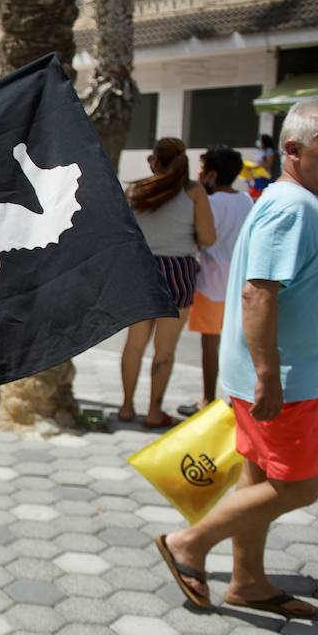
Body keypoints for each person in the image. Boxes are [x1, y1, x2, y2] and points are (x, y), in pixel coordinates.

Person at [156, 97, 318, 620]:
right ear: (292, 149)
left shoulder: (303, 201)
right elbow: (257, 293)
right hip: (283, 381)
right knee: (297, 487)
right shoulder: (291, 206)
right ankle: (189, 544)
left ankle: (247, 581)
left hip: (291, 377)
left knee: (259, 481)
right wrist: (269, 373)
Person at [119, 137, 216, 428]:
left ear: (154, 161)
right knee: (165, 350)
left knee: (134, 344)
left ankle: (125, 407)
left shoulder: (136, 189)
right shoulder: (193, 191)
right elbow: (209, 238)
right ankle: (153, 411)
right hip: (178, 270)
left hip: (141, 270)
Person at [179, 147, 252, 417]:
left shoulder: (208, 203)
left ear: (211, 174)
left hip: (210, 281)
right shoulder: (246, 200)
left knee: (210, 343)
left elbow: (200, 237)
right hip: (240, 282)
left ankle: (207, 400)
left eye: (201, 170)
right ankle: (238, 401)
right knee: (239, 344)